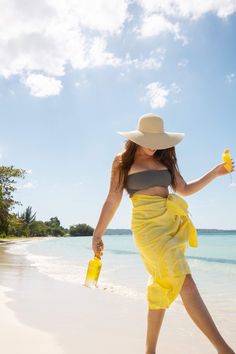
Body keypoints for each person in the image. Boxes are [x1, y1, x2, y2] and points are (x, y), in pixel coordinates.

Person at [92, 113, 235, 354]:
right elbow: (113, 198)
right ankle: (224, 350)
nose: (153, 145)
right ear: (137, 137)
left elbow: (184, 189)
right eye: (149, 139)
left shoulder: (165, 159)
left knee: (161, 284)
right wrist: (98, 234)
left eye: (158, 140)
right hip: (146, 228)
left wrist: (215, 173)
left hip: (170, 224)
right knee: (185, 282)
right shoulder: (121, 161)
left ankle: (150, 351)